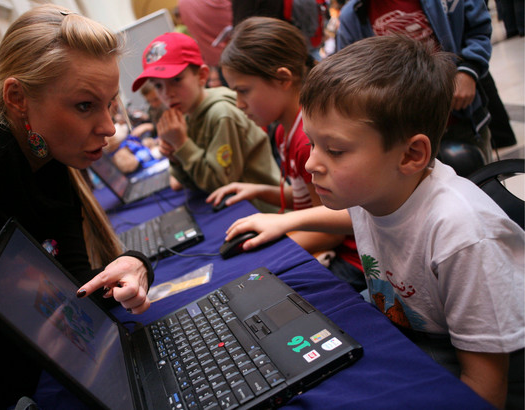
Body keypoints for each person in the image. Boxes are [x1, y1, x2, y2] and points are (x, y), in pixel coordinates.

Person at [225, 35, 524, 408]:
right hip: (412, 323)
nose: (311, 163)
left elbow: (486, 386)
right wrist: (284, 222)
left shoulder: (462, 236)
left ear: (411, 154)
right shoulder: (379, 188)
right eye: (313, 144)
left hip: (470, 354)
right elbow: (356, 218)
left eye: (334, 150)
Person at [0, 5, 153, 409]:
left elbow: (74, 292)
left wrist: (136, 264)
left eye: (110, 104)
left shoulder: (53, 165)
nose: (109, 127)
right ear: (18, 97)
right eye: (84, 106)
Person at [205, 16, 363, 286]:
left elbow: (331, 231)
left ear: (282, 79)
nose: (239, 104)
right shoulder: (282, 130)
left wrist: (269, 244)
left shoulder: (307, 139)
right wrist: (258, 190)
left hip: (351, 258)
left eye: (244, 91)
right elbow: (311, 199)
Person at [335, 0, 494, 176]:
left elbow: (478, 29)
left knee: (480, 184)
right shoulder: (353, 16)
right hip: (403, 141)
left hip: (459, 120)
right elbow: (350, 81)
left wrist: (468, 71)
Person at [131, 31, 281, 212]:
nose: (166, 94)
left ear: (202, 76)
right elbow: (192, 184)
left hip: (266, 213)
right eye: (158, 85)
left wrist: (181, 144)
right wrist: (175, 157)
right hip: (238, 210)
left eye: (176, 80)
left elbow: (220, 186)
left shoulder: (221, 114)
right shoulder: (186, 114)